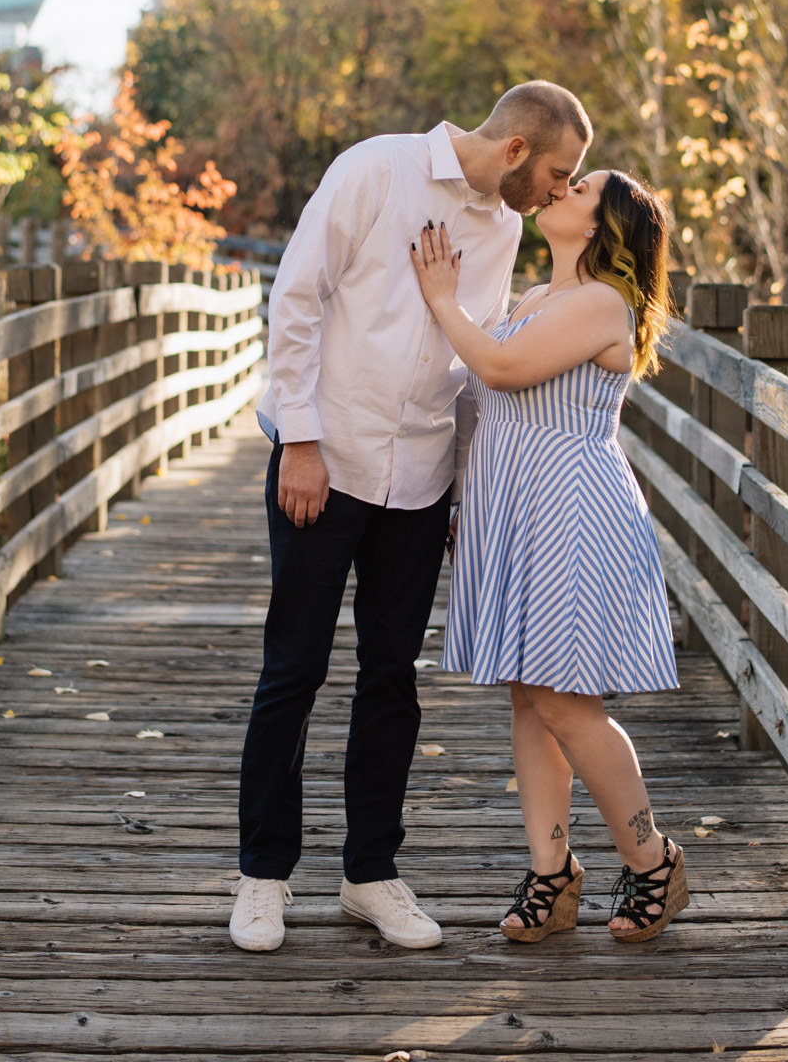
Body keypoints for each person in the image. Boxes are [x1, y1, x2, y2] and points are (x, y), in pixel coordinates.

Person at [229, 81, 592, 954]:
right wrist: (303, 441)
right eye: (556, 172)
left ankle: (369, 875)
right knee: (294, 669)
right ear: (513, 151)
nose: (556, 191)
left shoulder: (502, 228)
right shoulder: (374, 169)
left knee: (392, 678)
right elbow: (298, 301)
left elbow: (483, 361)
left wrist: (468, 486)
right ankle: (262, 878)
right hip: (328, 459)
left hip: (423, 480)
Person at [409, 167, 687, 945]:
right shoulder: (536, 298)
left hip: (571, 510)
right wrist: (468, 499)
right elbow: (486, 405)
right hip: (515, 507)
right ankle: (551, 872)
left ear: (603, 226)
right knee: (529, 697)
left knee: (567, 700)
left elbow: (497, 370)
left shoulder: (601, 302)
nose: (559, 188)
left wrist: (441, 301)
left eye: (578, 188)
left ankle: (652, 860)